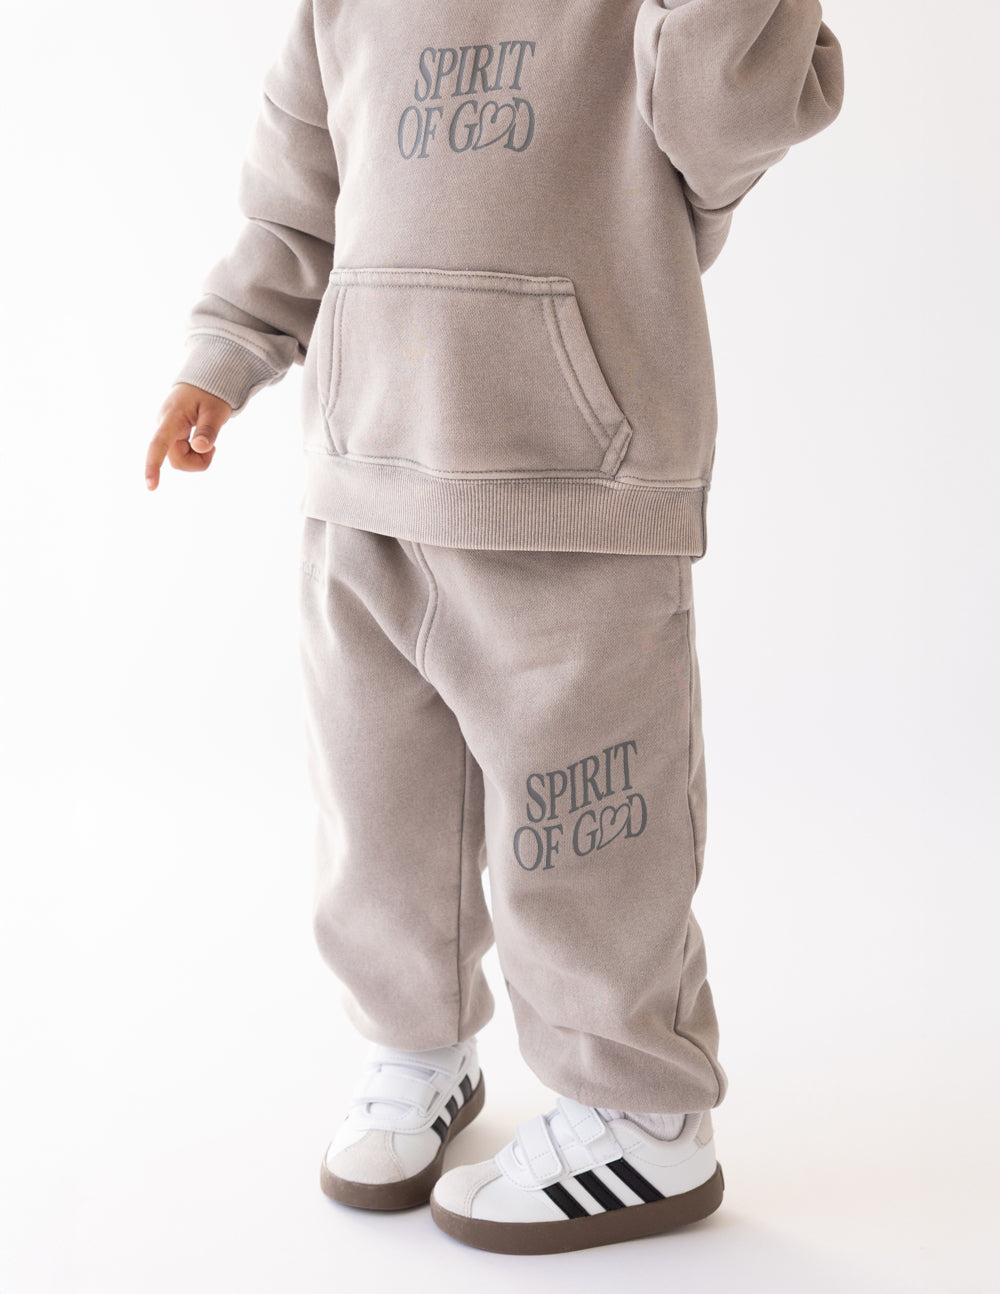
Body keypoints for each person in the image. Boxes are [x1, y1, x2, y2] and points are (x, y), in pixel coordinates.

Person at [145, 0, 844, 1256]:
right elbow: (296, 203)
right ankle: (417, 1046)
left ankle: (641, 1113)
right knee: (380, 821)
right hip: (365, 483)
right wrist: (227, 347)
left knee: (589, 837)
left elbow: (725, 125)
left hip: (574, 494)